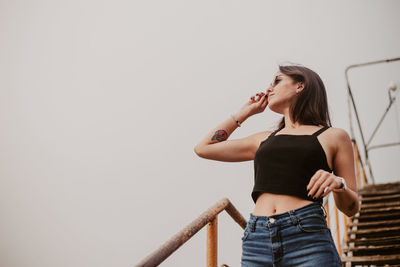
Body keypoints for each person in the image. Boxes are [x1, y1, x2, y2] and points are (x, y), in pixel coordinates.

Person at [194, 64, 360, 266]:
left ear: (300, 85)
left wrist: (339, 184)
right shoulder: (263, 139)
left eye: (277, 81)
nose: (269, 88)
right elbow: (203, 148)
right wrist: (243, 113)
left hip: (307, 238)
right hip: (257, 240)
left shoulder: (334, 136)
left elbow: (351, 208)